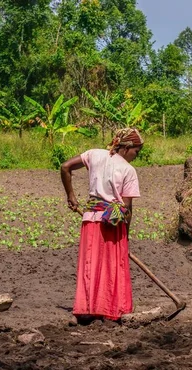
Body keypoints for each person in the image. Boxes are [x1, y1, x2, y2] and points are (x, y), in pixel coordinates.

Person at [60, 127, 144, 325]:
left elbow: (65, 167)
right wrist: (126, 236)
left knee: (90, 264)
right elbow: (127, 208)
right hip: (112, 224)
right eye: (136, 152)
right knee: (113, 266)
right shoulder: (128, 171)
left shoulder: (94, 155)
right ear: (126, 147)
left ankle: (87, 308)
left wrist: (71, 196)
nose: (136, 156)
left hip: (90, 220)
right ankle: (112, 308)